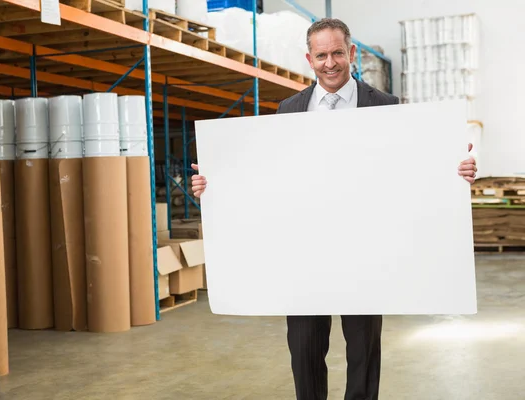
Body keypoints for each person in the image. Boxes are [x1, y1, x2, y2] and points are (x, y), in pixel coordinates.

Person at [190, 18, 477, 400]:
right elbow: (267, 176)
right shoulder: (289, 109)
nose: (330, 63)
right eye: (321, 55)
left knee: (363, 350)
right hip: (306, 250)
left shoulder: (385, 106)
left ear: (351, 53)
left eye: (337, 53)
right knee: (305, 350)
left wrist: (454, 170)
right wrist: (215, 187)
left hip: (366, 249)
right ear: (309, 59)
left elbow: (410, 167)